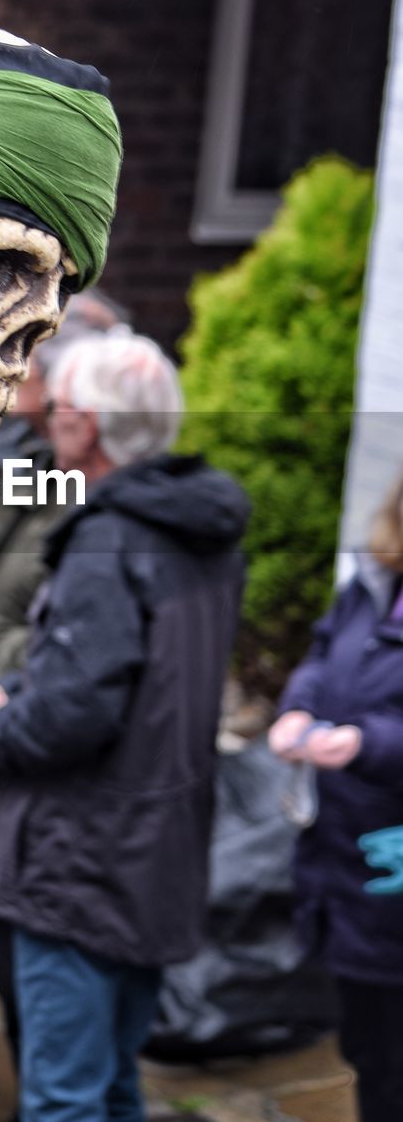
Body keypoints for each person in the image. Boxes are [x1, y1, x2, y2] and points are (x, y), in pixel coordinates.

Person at [0, 331, 249, 1122]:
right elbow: (130, 671)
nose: (48, 419)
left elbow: (81, 706)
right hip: (154, 851)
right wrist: (15, 690)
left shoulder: (105, 538)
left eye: (63, 407)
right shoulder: (196, 528)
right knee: (113, 1082)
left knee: (65, 1099)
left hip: (80, 856)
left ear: (88, 423)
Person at [268, 473, 403, 1122]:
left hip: (391, 872)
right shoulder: (372, 587)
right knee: (368, 1049)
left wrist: (365, 743)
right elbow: (321, 656)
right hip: (351, 865)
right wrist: (298, 708)